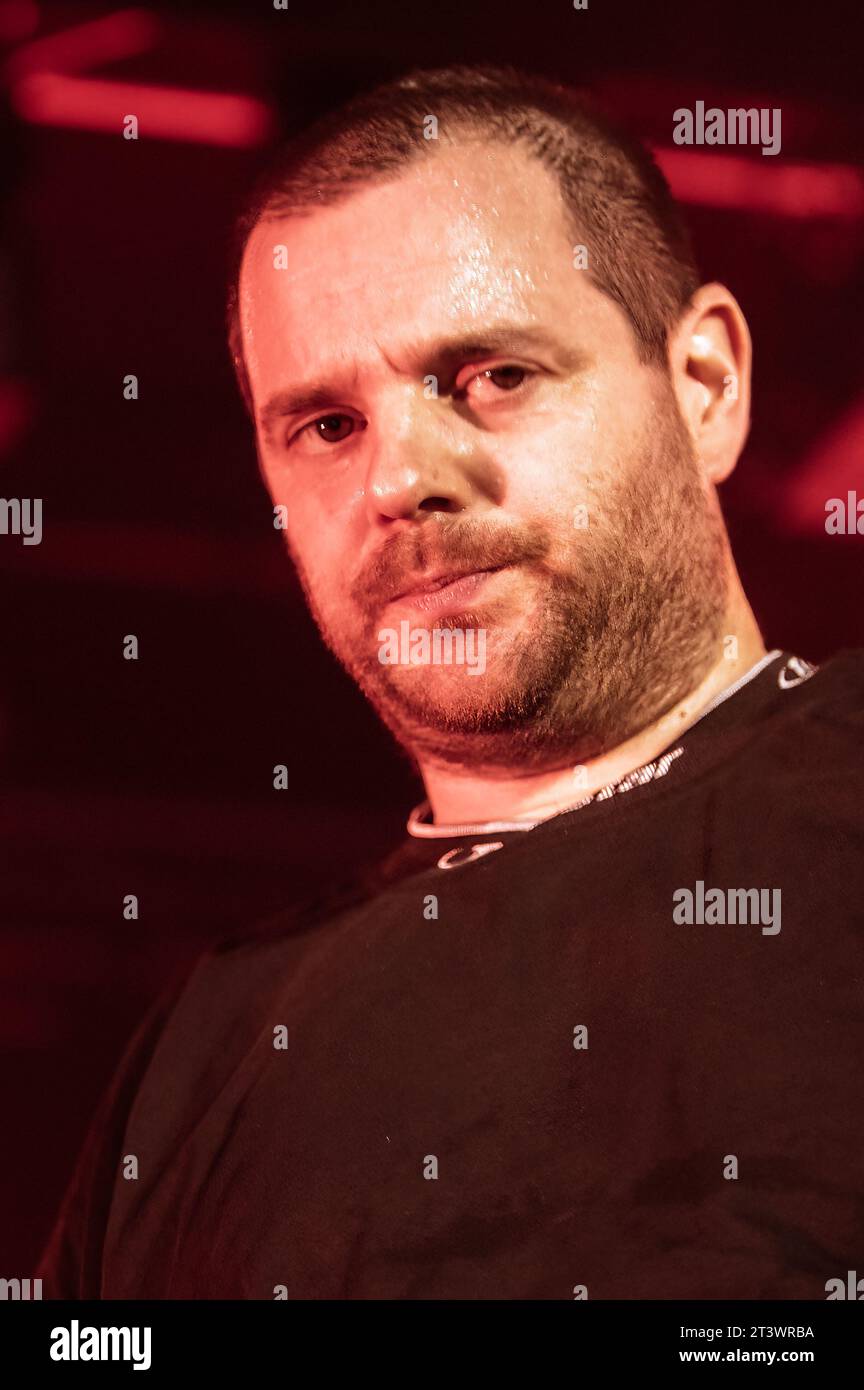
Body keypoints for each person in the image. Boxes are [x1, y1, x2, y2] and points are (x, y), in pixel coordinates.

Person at [38, 64, 863, 1300]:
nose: (399, 480)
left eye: (492, 376)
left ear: (704, 386)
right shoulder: (203, 1048)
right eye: (327, 426)